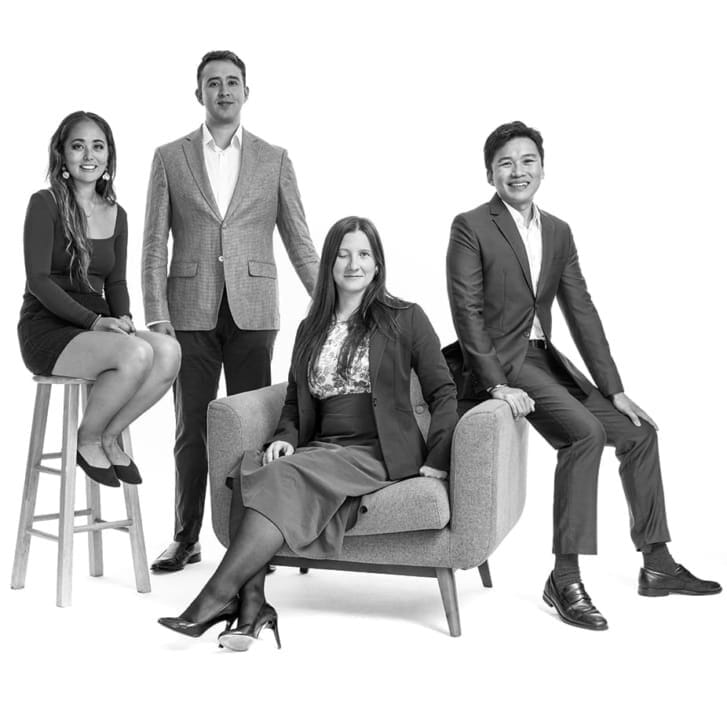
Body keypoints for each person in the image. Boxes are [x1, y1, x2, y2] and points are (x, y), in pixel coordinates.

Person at [446, 121, 721, 631]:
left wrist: (614, 389)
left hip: (546, 360)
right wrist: (495, 381)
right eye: (506, 162)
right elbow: (466, 311)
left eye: (528, 160)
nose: (518, 170)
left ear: (543, 168)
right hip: (504, 364)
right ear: (490, 173)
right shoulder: (471, 225)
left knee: (638, 433)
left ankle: (657, 564)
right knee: (584, 434)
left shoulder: (557, 231)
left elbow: (581, 309)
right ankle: (564, 577)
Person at [158, 215, 458, 649]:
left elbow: (443, 390)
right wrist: (286, 436)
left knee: (275, 475)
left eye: (364, 254)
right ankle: (252, 605)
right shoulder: (310, 327)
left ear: (378, 264)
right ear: (329, 264)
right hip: (325, 445)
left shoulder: (405, 318)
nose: (353, 264)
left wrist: (437, 457)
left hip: (378, 448)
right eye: (343, 254)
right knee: (254, 465)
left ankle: (215, 598)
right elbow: (297, 401)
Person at [142, 50, 320, 573]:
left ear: (247, 92)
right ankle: (185, 535)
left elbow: (300, 242)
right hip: (188, 313)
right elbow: (155, 245)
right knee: (190, 428)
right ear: (199, 94)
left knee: (253, 430)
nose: (224, 91)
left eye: (233, 82)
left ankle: (257, 538)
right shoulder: (169, 157)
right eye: (213, 83)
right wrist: (157, 315)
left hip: (254, 313)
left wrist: (337, 301)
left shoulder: (275, 158)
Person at [18, 111, 181, 488]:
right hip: (49, 330)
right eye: (78, 146)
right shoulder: (44, 204)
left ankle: (109, 434)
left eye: (97, 146)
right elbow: (38, 281)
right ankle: (87, 438)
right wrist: (96, 323)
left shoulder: (117, 214)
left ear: (109, 156)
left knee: (169, 352)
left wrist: (122, 319)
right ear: (62, 154)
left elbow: (117, 282)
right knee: (137, 354)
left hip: (99, 329)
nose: (88, 155)